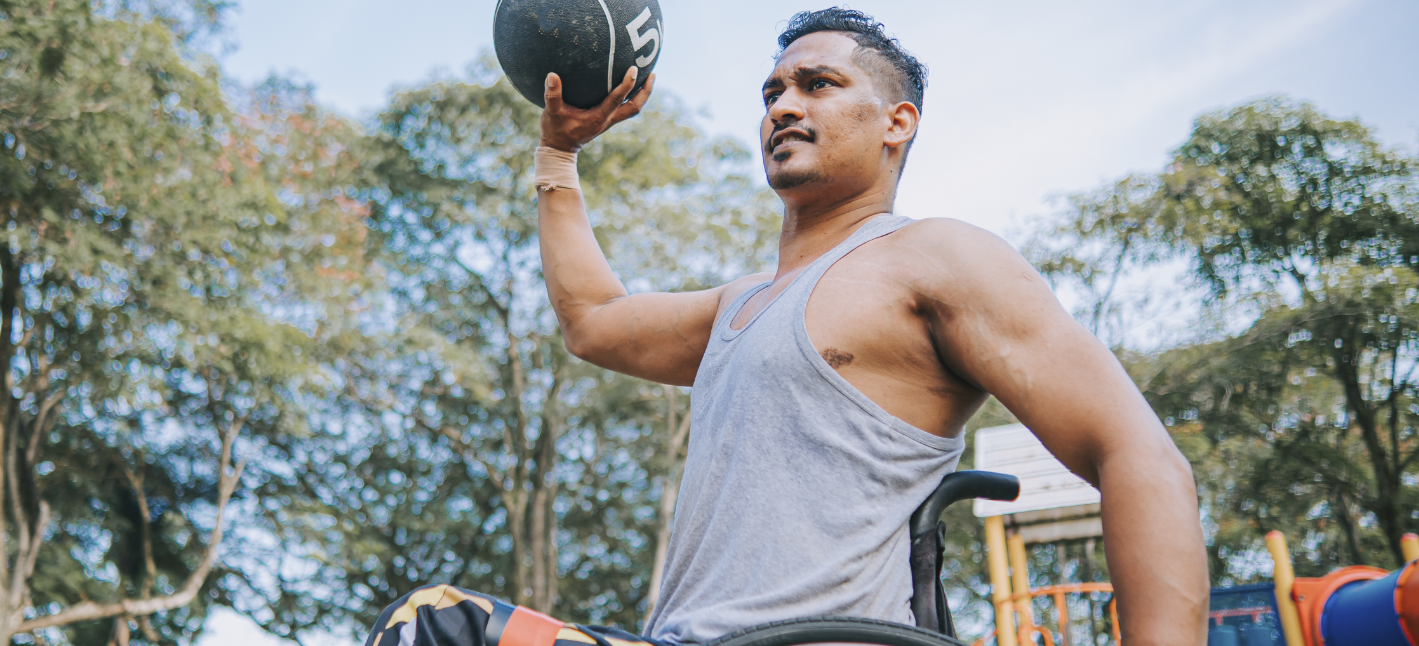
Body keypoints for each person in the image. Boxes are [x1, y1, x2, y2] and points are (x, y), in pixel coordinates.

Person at [364, 7, 1207, 646]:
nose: (782, 106)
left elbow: (1139, 458)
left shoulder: (940, 258)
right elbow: (593, 320)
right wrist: (558, 157)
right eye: (772, 91)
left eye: (818, 85)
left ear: (896, 123)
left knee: (437, 627)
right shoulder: (740, 306)